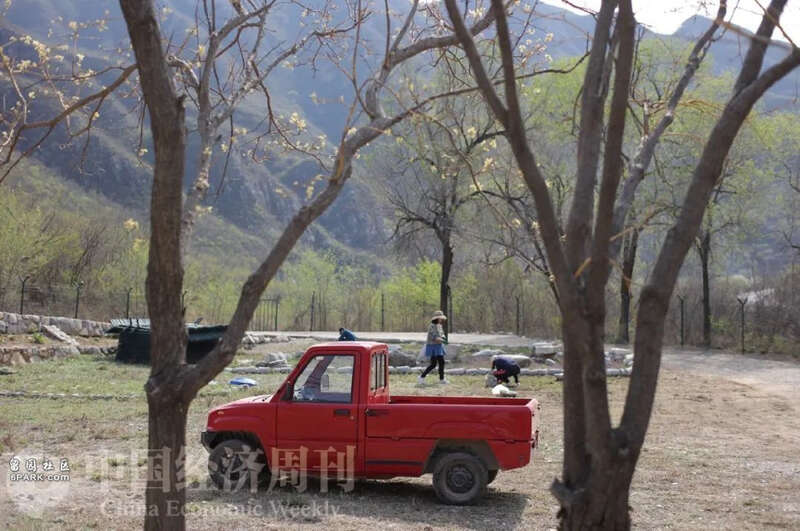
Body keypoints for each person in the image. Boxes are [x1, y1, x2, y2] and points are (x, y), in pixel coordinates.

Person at [418, 310, 448, 385]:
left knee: (441, 362)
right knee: (434, 364)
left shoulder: (439, 325)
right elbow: (435, 337)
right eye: (440, 318)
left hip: (439, 346)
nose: (441, 319)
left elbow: (442, 335)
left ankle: (441, 379)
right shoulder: (432, 326)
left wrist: (444, 339)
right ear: (436, 318)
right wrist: (443, 341)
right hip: (433, 346)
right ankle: (421, 377)